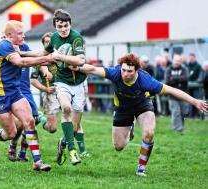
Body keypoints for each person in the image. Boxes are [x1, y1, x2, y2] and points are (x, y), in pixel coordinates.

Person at [71, 53, 208, 176]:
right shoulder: (116, 72)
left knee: (149, 132)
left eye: (129, 71)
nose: (125, 73)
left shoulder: (145, 80)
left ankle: (141, 167)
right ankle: (131, 126)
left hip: (142, 106)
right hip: (123, 109)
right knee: (119, 146)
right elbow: (93, 69)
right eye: (123, 70)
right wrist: (78, 67)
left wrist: (195, 101)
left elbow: (172, 90)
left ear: (137, 70)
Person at [0, 20, 52, 171]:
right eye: (20, 33)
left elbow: (38, 54)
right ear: (9, 35)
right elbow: (20, 62)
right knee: (11, 133)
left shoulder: (22, 46)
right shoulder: (3, 45)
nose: (24, 36)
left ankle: (37, 162)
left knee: (29, 121)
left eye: (24, 33)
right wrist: (46, 59)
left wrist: (52, 50)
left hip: (15, 91)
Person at [45, 9, 90, 165]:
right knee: (66, 109)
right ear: (55, 27)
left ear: (70, 24)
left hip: (79, 83)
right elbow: (44, 53)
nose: (63, 29)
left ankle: (63, 142)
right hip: (62, 82)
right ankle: (72, 151)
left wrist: (59, 56)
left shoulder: (76, 37)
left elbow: (81, 60)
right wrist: (23, 54)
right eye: (59, 26)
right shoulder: (55, 38)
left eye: (66, 26)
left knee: (76, 127)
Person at [165, 54, 189, 133]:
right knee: (176, 112)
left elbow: (185, 78)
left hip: (183, 94)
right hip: (172, 95)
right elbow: (168, 81)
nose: (177, 62)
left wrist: (174, 78)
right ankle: (177, 129)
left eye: (179, 61)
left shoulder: (184, 69)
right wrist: (179, 79)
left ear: (181, 61)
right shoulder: (168, 69)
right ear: (173, 60)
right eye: (176, 60)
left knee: (183, 112)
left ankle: (180, 126)